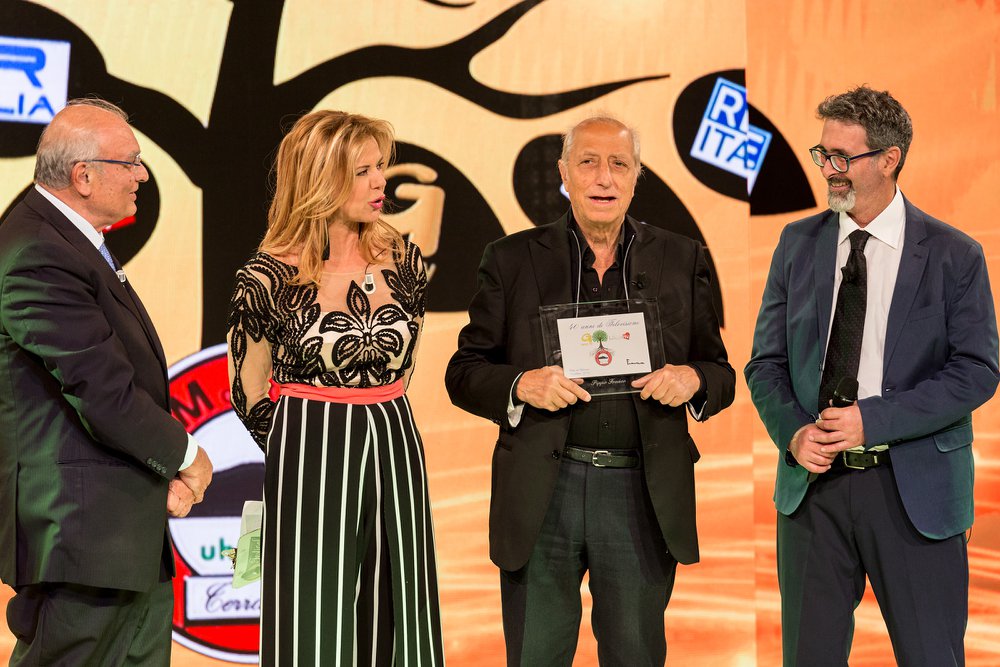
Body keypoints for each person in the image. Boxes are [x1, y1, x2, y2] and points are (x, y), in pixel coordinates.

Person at [445, 115, 735, 665]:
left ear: (636, 176)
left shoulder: (681, 257)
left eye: (619, 164)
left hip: (640, 492)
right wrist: (521, 384)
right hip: (543, 491)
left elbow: (719, 371)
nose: (604, 177)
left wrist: (692, 379)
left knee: (635, 656)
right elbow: (464, 370)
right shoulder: (510, 259)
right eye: (589, 163)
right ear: (563, 174)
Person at [745, 86, 999, 666]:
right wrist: (793, 433)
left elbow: (977, 371)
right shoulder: (797, 243)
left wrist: (873, 421)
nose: (829, 169)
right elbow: (765, 363)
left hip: (914, 491)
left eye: (843, 156)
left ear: (889, 159)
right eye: (823, 154)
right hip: (813, 492)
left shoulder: (955, 254)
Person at [0, 98, 214, 665]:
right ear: (84, 176)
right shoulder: (37, 251)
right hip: (81, 541)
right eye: (131, 161)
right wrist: (187, 457)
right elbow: (103, 391)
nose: (142, 174)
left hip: (118, 539)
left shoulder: (66, 240)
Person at [227, 110, 444, 665]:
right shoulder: (267, 276)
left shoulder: (404, 260)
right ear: (319, 178)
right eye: (362, 171)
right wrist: (301, 445)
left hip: (394, 440)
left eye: (380, 167)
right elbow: (247, 390)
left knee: (398, 605)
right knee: (312, 614)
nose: (380, 183)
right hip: (309, 447)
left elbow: (404, 366)